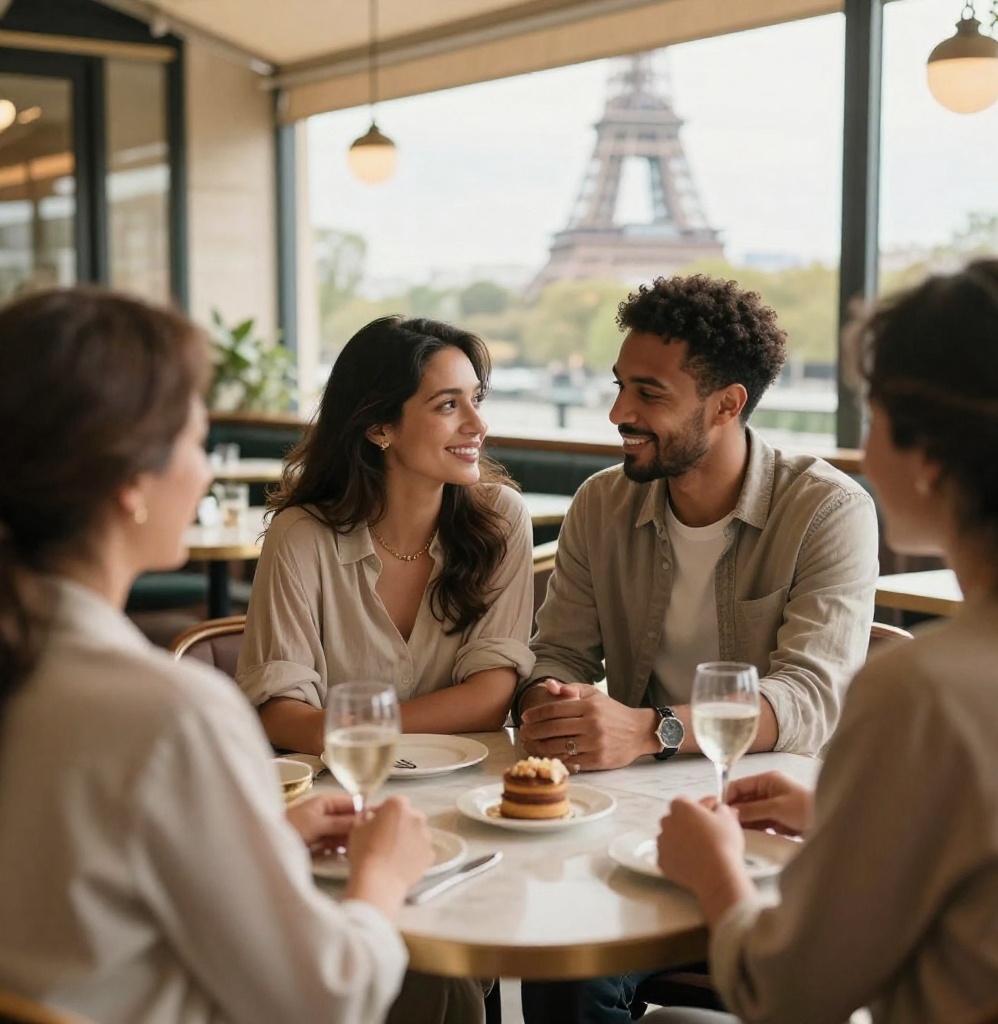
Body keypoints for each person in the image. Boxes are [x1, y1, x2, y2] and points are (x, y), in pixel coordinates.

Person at [0, 288, 435, 1024]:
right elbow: (326, 997)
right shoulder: (172, 715)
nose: (204, 474)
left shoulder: (39, 669)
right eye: (196, 443)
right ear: (133, 483)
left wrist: (253, 842)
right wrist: (382, 879)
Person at [653, 259, 998, 1024]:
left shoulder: (925, 692)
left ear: (927, 454)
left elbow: (786, 995)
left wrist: (714, 867)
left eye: (874, 414)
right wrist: (844, 817)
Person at [515, 274, 879, 1024]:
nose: (619, 413)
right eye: (620, 387)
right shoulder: (600, 504)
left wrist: (651, 730)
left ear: (727, 403)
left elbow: (809, 699)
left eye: (648, 393)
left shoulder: (828, 510)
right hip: (624, 816)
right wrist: (554, 704)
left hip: (770, 823)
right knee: (563, 972)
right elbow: (559, 655)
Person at [237, 315, 535, 756]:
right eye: (448, 405)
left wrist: (346, 727)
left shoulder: (502, 521)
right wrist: (437, 715)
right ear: (379, 427)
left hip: (474, 791)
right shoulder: (300, 536)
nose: (478, 424)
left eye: (476, 399)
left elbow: (490, 700)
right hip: (342, 795)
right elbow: (281, 715)